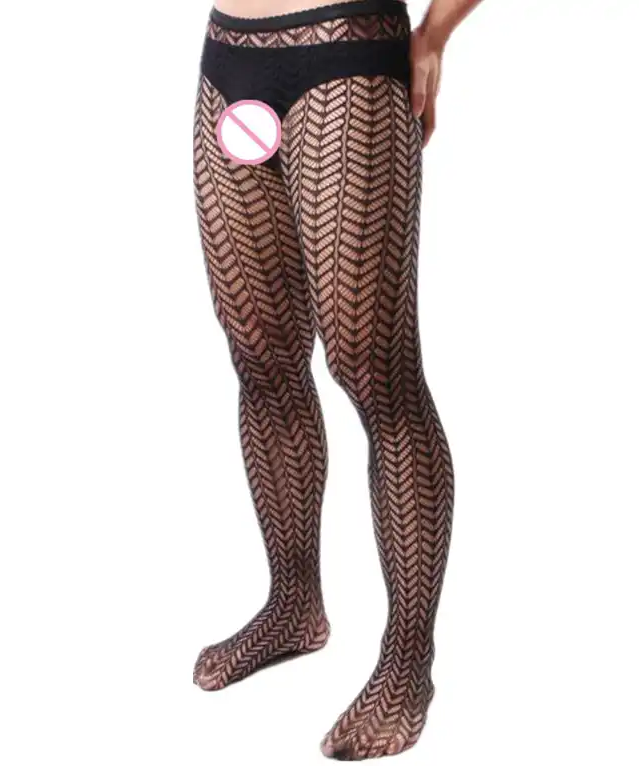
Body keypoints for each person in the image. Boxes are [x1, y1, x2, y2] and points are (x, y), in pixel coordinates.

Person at [192, 0, 483, 759]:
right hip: (228, 58)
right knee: (261, 357)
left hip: (347, 56)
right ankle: (293, 605)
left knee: (374, 370)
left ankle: (407, 662)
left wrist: (436, 33)